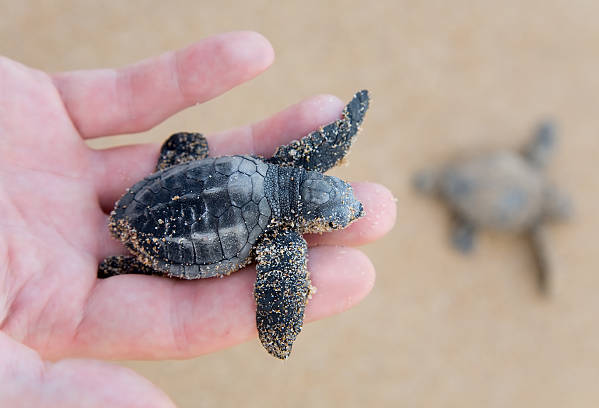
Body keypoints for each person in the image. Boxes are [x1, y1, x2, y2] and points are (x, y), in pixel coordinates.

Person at [0, 31, 396, 407]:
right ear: (310, 215)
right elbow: (281, 295)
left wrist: (349, 123)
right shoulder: (285, 244)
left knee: (191, 147)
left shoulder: (286, 165)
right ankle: (127, 265)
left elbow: (327, 145)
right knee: (177, 251)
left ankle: (136, 247)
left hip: (153, 193)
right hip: (164, 235)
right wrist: (279, 330)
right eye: (334, 221)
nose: (348, 218)